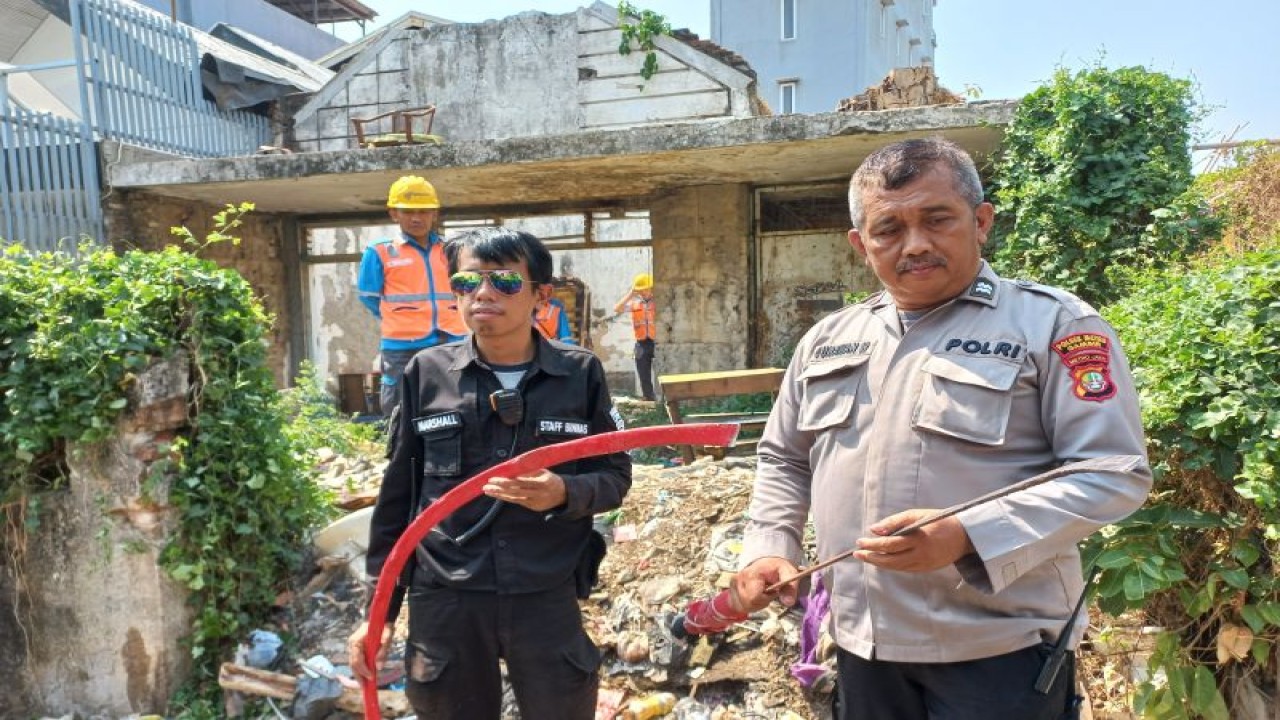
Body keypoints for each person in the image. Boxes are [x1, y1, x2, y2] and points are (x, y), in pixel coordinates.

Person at [732, 138, 1152, 720]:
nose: (915, 244)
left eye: (937, 219)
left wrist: (967, 534)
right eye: (888, 229)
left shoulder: (1054, 325)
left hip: (998, 651)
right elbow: (784, 458)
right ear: (861, 244)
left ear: (981, 222)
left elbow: (1112, 472)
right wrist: (769, 548)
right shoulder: (828, 340)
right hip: (861, 646)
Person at [347, 226, 631, 720]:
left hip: (544, 591)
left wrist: (563, 491)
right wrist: (379, 614)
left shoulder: (579, 374)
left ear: (541, 295)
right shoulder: (426, 373)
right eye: (466, 281)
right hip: (446, 595)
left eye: (504, 281)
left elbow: (614, 476)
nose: (482, 293)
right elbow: (398, 499)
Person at [357, 175, 467, 419]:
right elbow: (369, 297)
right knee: (400, 410)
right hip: (402, 346)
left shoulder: (452, 250)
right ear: (393, 214)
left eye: (424, 211)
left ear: (434, 214)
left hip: (451, 339)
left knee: (455, 405)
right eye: (408, 211)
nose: (416, 218)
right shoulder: (380, 251)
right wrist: (401, 318)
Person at [612, 272, 657, 401]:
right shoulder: (634, 303)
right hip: (641, 342)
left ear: (650, 288)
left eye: (645, 289)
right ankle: (649, 398)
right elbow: (617, 308)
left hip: (656, 341)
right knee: (643, 372)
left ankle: (665, 398)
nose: (643, 292)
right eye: (640, 290)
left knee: (662, 371)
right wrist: (631, 293)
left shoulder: (657, 301)